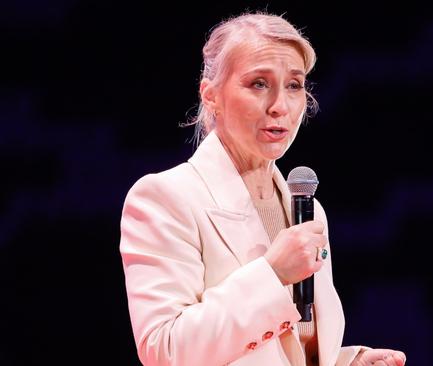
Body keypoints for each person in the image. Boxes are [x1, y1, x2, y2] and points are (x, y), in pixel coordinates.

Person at [119, 12, 406, 366]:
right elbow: (165, 350)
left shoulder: (308, 210)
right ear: (211, 96)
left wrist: (345, 361)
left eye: (294, 85)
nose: (280, 107)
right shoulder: (164, 198)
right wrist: (271, 274)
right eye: (258, 84)